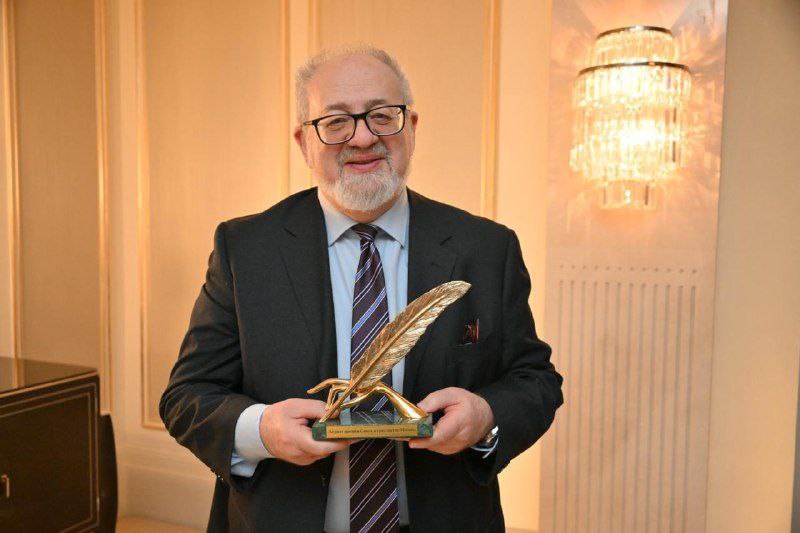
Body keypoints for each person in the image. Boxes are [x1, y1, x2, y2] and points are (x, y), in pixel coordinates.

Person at [160, 44, 563, 533]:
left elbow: (535, 381)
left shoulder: (487, 247)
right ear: (304, 142)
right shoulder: (244, 249)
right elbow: (187, 397)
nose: (364, 137)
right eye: (335, 122)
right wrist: (261, 431)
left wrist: (485, 415)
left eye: (382, 115)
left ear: (411, 127)